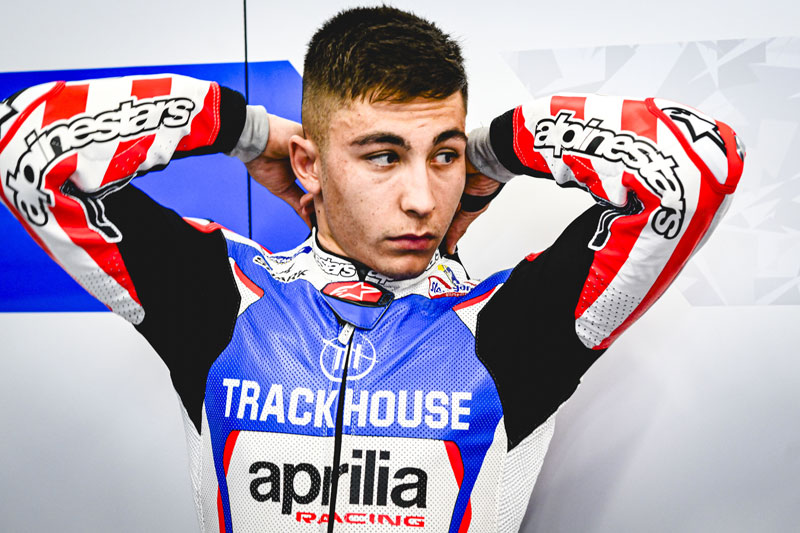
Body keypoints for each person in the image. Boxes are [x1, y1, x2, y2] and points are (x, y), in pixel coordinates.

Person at [0, 6, 743, 533]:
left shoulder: (513, 327)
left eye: (442, 155)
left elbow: (694, 167)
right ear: (309, 164)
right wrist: (246, 131)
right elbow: (26, 149)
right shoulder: (220, 296)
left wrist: (493, 154)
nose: (422, 198)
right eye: (383, 155)